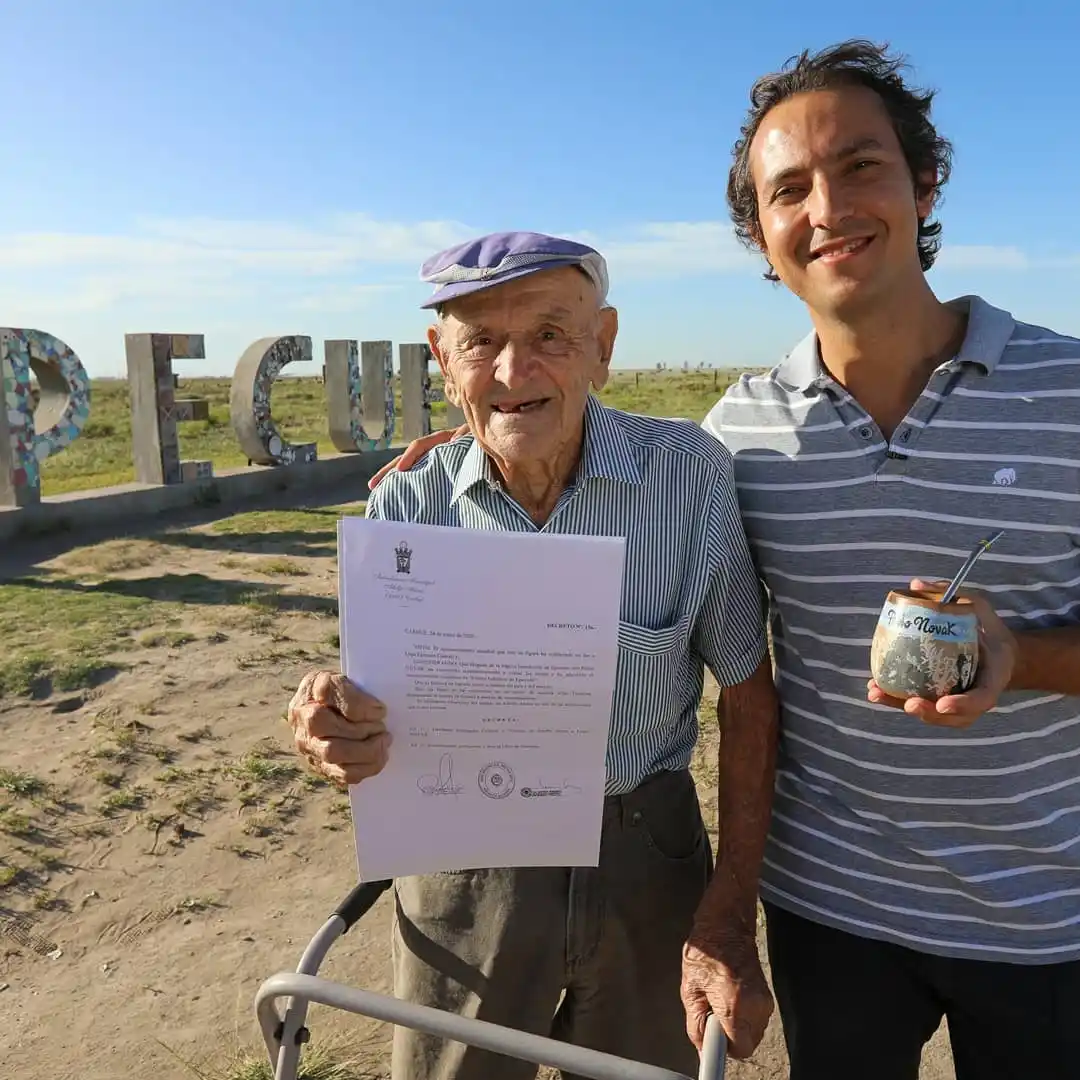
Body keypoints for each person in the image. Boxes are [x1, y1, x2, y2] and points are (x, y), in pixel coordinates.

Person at [369, 41, 1080, 1080]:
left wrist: (1021, 657)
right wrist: (479, 437)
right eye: (789, 188)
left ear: (926, 181)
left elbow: (743, 689)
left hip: (1042, 912)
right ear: (762, 232)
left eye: (861, 167)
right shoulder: (737, 437)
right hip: (830, 912)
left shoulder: (1067, 393)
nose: (827, 207)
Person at [287, 230, 780, 1080]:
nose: (515, 373)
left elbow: (747, 691)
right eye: (481, 342)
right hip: (461, 868)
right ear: (444, 362)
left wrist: (732, 903)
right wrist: (331, 722)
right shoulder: (406, 499)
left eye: (552, 335)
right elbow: (373, 696)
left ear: (605, 345)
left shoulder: (690, 477)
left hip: (644, 860)